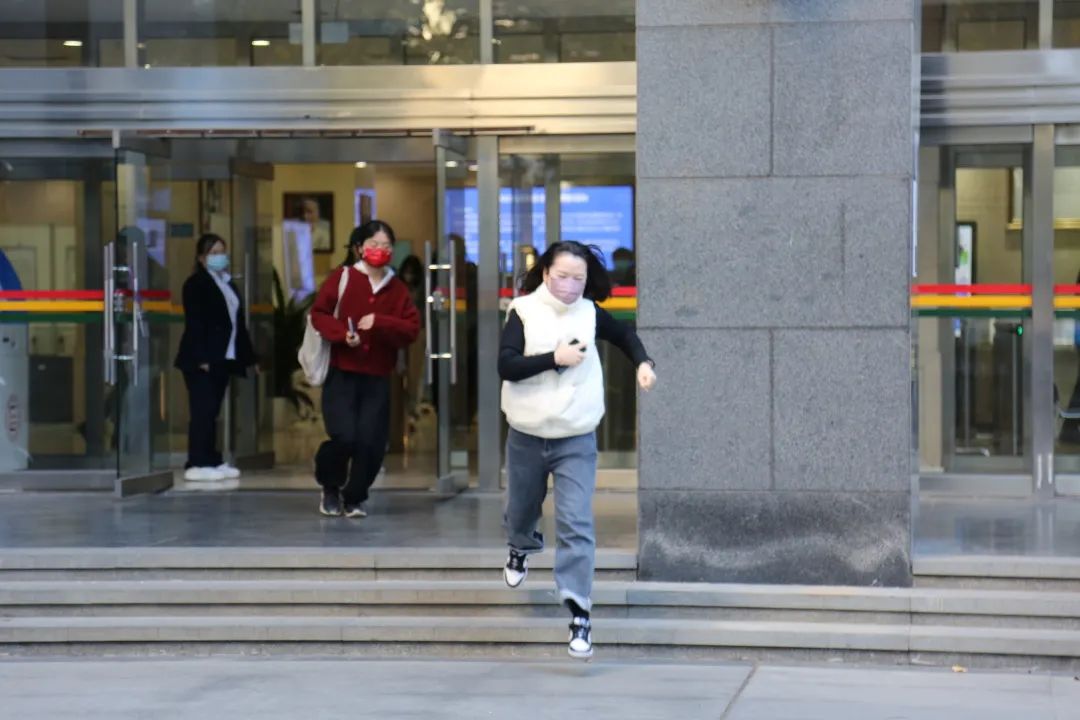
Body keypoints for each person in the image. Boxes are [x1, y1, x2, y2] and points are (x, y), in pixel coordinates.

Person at [498, 240, 657, 660]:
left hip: (575, 437)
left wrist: (643, 363)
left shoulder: (588, 312)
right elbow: (506, 365)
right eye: (562, 276)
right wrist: (555, 358)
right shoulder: (523, 311)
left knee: (576, 522)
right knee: (520, 509)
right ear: (545, 273)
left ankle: (579, 612)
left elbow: (624, 335)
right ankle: (520, 546)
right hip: (527, 434)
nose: (570, 285)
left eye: (578, 278)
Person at [310, 220, 420, 518]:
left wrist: (380, 322)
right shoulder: (344, 277)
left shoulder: (396, 288)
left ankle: (355, 496)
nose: (380, 250)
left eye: (386, 246)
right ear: (359, 248)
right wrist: (341, 335)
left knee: (371, 442)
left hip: (377, 377)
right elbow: (319, 314)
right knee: (344, 436)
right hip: (342, 372)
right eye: (373, 245)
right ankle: (330, 485)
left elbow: (411, 328)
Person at [174, 233, 256, 482]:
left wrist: (250, 358)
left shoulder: (227, 284)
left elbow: (237, 323)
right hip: (202, 360)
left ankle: (212, 459)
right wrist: (202, 358)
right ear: (201, 258)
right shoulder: (195, 284)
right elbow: (195, 323)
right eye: (214, 253)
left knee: (213, 411)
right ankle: (196, 462)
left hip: (223, 358)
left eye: (222, 252)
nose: (220, 257)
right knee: (203, 411)